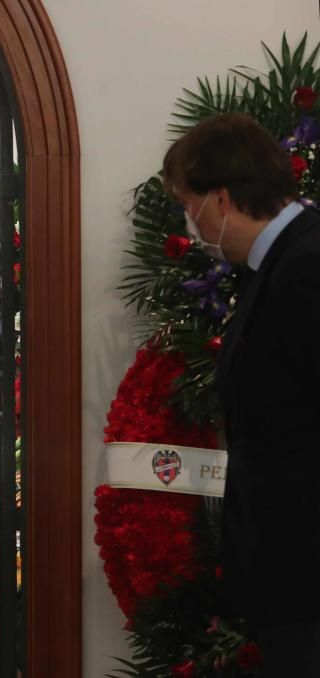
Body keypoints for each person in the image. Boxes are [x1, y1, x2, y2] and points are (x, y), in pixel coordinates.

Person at [163, 112, 320, 677]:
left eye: (189, 203)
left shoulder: (306, 265)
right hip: (290, 578)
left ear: (222, 199)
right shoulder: (276, 263)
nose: (192, 222)